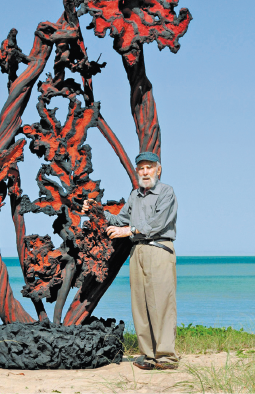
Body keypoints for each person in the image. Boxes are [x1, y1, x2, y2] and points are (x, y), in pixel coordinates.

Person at [82, 151, 179, 370]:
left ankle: (166, 356)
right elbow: (118, 219)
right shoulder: (135, 195)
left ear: (158, 170)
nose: (145, 172)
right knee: (140, 304)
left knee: (162, 302)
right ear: (137, 171)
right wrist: (96, 210)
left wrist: (129, 230)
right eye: (141, 168)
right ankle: (148, 355)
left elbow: (158, 224)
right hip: (137, 251)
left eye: (150, 167)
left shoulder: (167, 192)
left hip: (159, 248)